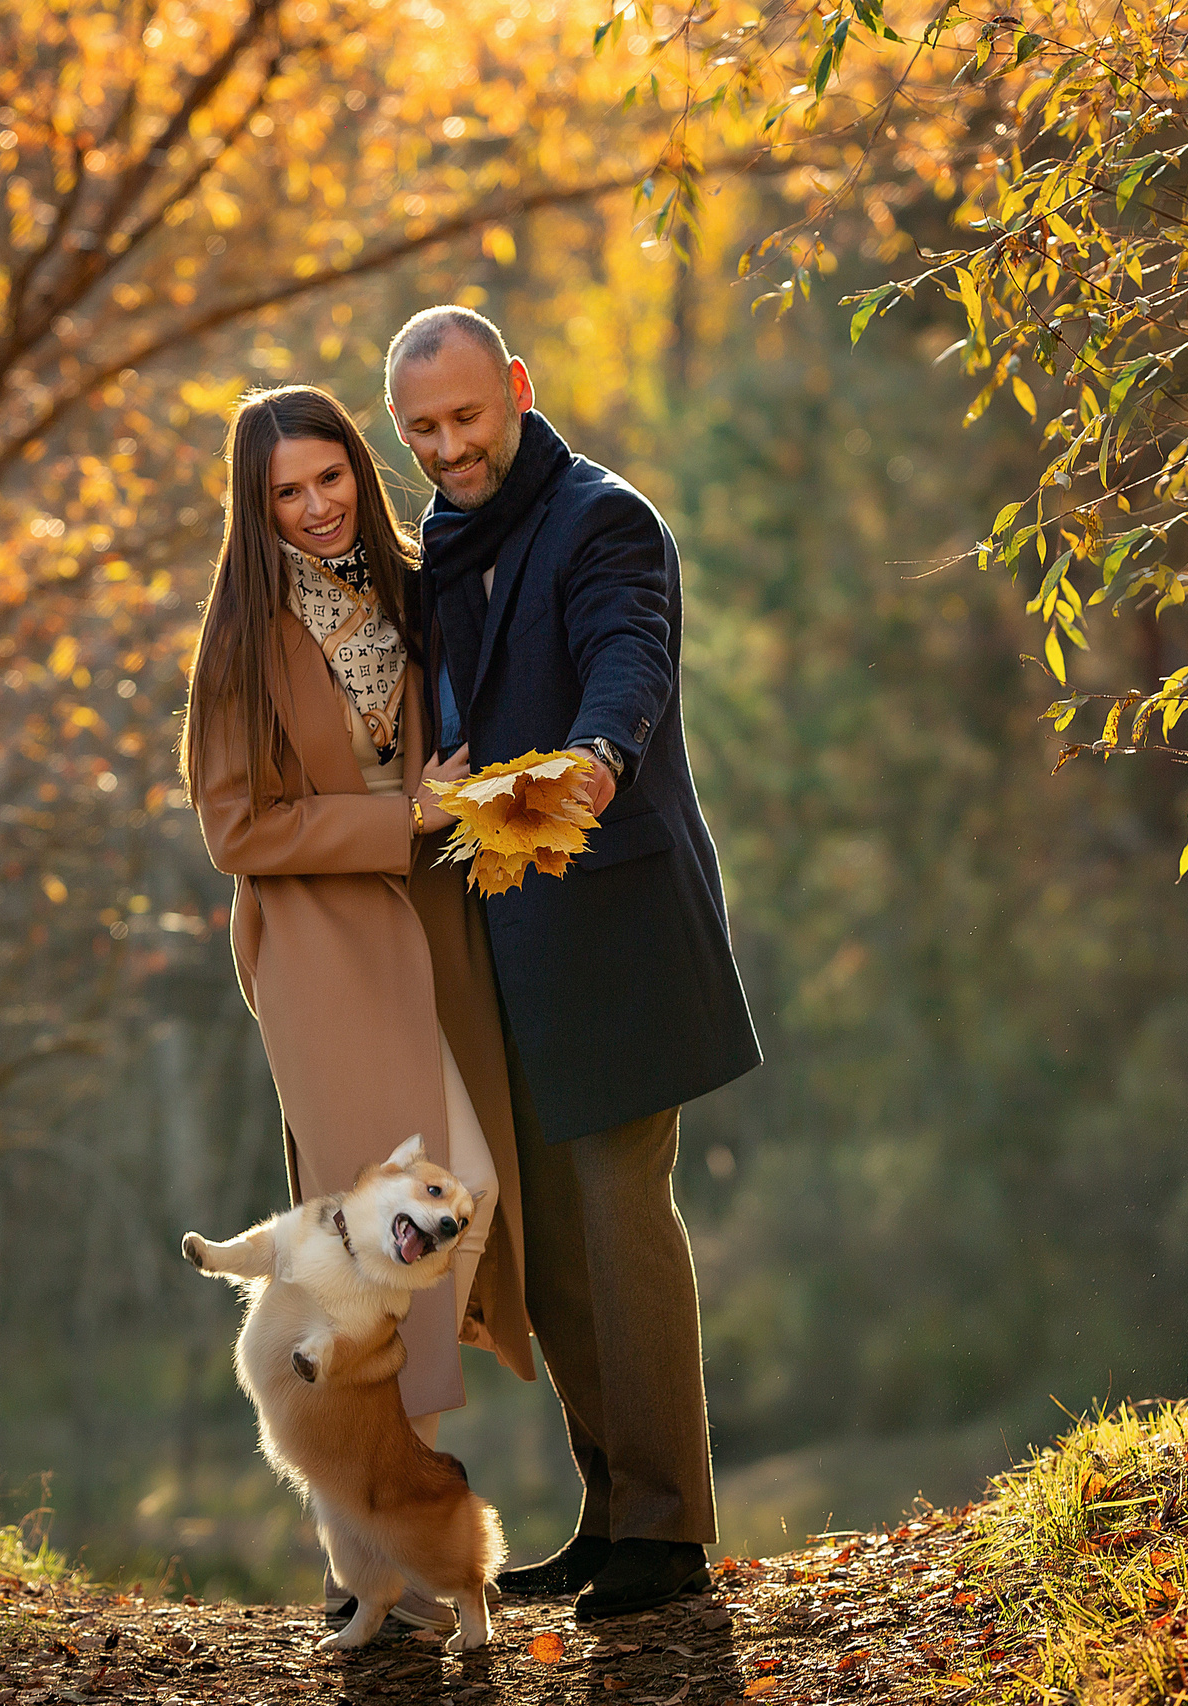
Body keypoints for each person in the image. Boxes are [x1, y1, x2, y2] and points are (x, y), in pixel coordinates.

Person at [385, 305, 762, 1623]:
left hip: (614, 922)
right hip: (503, 937)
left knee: (619, 1212)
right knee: (546, 1250)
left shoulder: (602, 520)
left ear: (518, 390)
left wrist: (600, 749)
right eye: (422, 429)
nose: (448, 446)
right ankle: (609, 1509)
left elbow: (627, 651)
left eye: (467, 417)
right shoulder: (439, 545)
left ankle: (669, 1526)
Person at [179, 383, 537, 1630]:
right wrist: (403, 817)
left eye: (331, 477)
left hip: (431, 926)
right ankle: (374, 1550)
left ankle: (371, 1543)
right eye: (289, 491)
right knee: (386, 1239)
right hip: (322, 946)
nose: (318, 506)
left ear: (358, 473)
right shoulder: (240, 637)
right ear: (257, 503)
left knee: (462, 1194)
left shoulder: (412, 580)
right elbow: (235, 829)